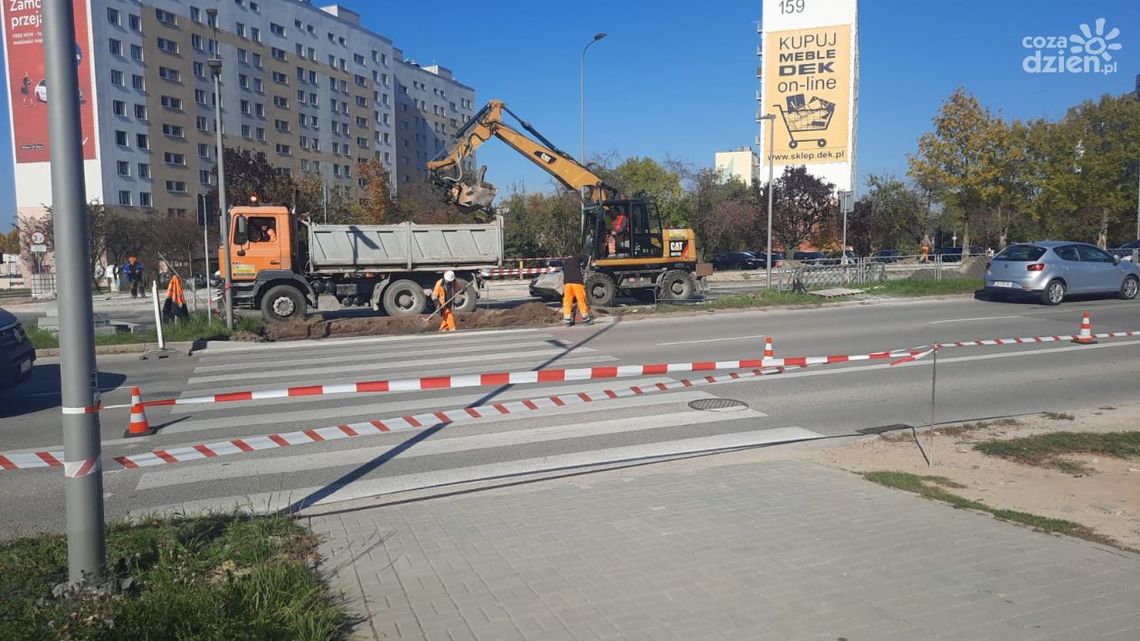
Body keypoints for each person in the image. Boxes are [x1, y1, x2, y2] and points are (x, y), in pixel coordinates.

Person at [561, 255, 592, 327]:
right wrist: (585, 266)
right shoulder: (577, 258)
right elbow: (585, 258)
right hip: (577, 283)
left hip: (567, 284)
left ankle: (567, 320)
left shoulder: (565, 263)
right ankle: (586, 319)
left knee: (567, 302)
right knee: (581, 300)